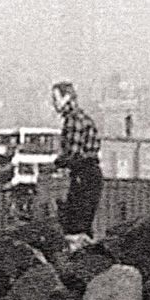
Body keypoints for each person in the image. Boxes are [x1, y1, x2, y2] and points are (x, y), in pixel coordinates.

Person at [51, 81, 102, 239]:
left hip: (83, 176)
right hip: (91, 175)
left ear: (67, 97)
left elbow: (73, 155)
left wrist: (55, 163)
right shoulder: (83, 118)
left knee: (74, 226)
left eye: (56, 98)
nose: (54, 103)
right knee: (84, 224)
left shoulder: (73, 120)